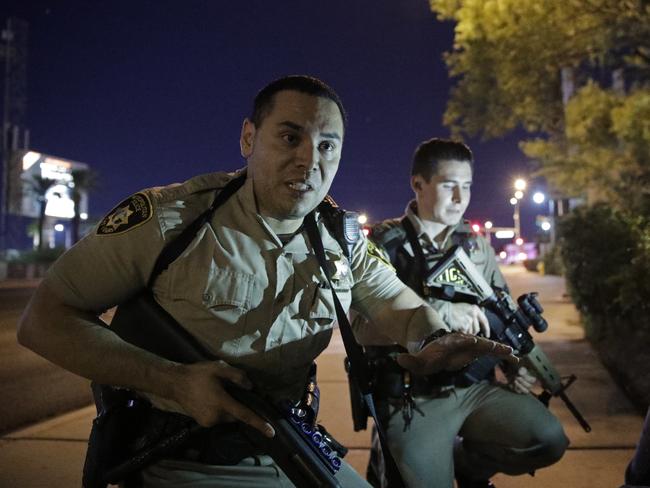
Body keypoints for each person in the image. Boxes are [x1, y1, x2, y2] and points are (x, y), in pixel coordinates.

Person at [17, 77, 516, 488]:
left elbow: (396, 304)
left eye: (327, 145)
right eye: (289, 137)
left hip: (290, 446)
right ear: (248, 139)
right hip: (177, 461)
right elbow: (44, 319)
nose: (308, 159)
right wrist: (172, 381)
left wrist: (431, 338)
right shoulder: (173, 220)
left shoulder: (339, 238)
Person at [355, 138, 569, 488]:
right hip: (413, 396)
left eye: (467, 187)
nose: (460, 198)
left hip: (474, 389)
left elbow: (497, 317)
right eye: (449, 185)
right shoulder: (385, 243)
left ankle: (467, 467)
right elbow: (359, 326)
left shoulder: (476, 245)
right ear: (419, 184)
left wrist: (512, 365)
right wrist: (441, 313)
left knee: (547, 438)